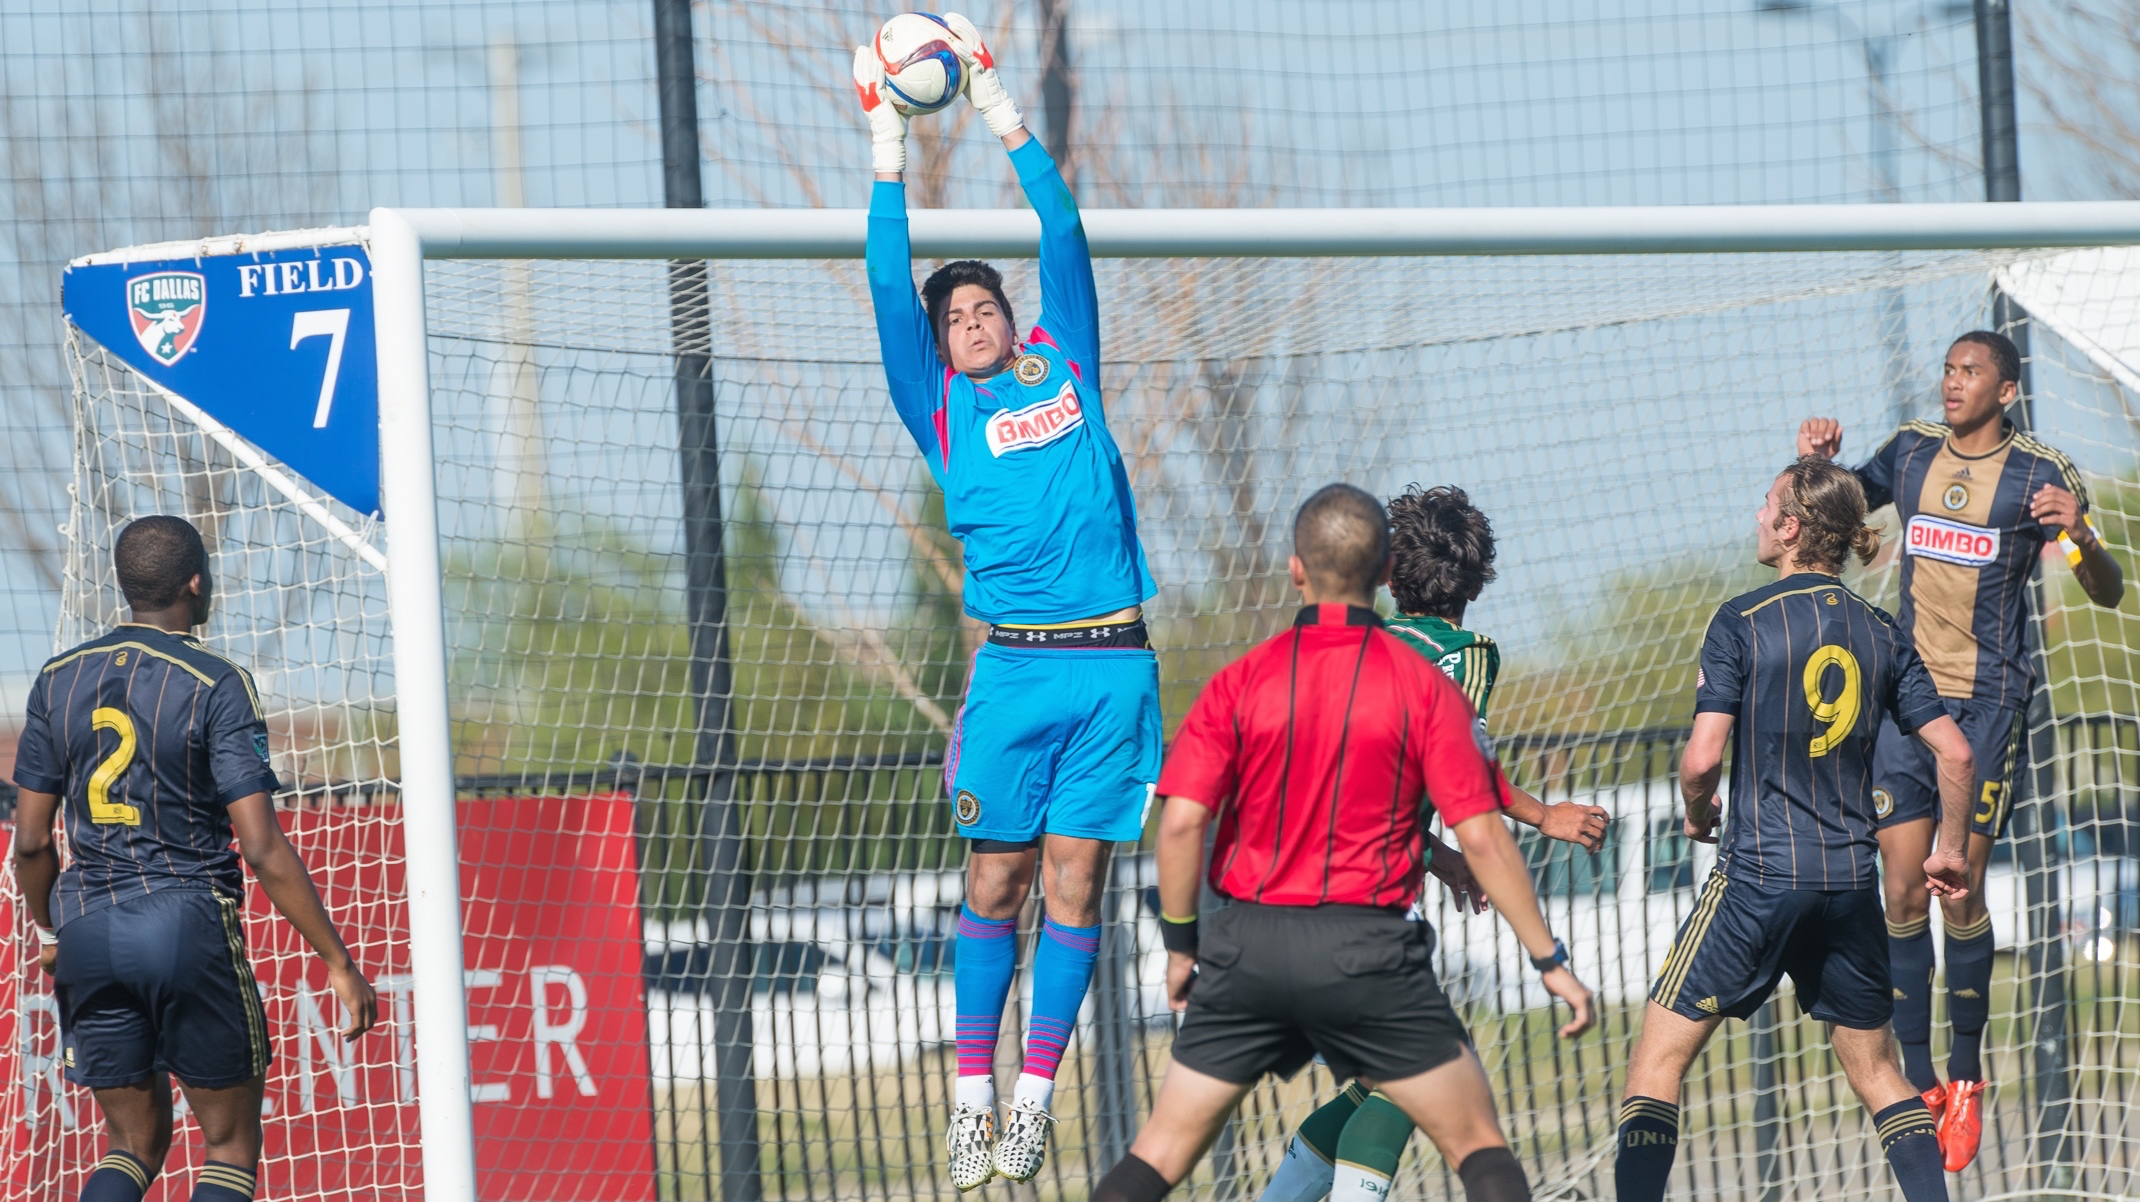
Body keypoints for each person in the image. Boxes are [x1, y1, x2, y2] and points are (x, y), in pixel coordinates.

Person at [1088, 484, 1596, 1202]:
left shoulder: (1241, 680)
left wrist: (1180, 945)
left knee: (1158, 1155)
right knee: (1476, 1144)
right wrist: (1551, 961)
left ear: (1297, 569)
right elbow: (1482, 830)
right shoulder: (1426, 684)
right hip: (1366, 946)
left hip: (1248, 944)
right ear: (1383, 567)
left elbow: (1178, 821)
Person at [854, 18, 1161, 1188]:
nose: (970, 319)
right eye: (953, 317)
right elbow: (890, 279)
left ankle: (1036, 1100)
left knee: (1079, 880)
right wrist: (887, 140)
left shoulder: (1065, 364)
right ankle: (969, 1092)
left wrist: (992, 106)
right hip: (1016, 671)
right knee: (997, 879)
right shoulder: (937, 411)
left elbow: (1064, 230)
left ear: (1010, 317)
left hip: (1114, 667)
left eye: (983, 307)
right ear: (935, 345)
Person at [1796, 330, 2124, 1168]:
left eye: (1969, 372)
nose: (1952, 383)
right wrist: (1815, 464)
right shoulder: (1908, 453)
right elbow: (1830, 516)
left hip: (1985, 709)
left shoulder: (2042, 474)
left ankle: (1970, 1073)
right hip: (1905, 701)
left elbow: (2107, 588)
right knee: (1900, 891)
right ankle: (1921, 1079)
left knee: (1956, 887)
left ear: (2005, 391)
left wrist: (2078, 532)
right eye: (1947, 369)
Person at [1613, 458, 1977, 1202]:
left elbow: (1701, 759)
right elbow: (1957, 751)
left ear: (1789, 529)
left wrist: (1696, 810)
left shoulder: (1741, 621)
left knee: (1656, 1064)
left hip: (1756, 879)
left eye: (1765, 506)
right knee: (1880, 1076)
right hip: (1848, 883)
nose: (1754, 517)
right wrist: (1949, 849)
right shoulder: (1881, 631)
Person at [1257, 484, 1609, 1202]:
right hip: (1352, 914)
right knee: (1428, 1076)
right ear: (1479, 580)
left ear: (1389, 572)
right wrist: (1542, 816)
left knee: (1383, 1082)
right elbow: (1457, 764)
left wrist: (1435, 856)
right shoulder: (1464, 653)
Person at [10, 515, 376, 1202]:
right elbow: (261, 845)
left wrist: (51, 933)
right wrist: (339, 962)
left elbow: (29, 842)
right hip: (183, 920)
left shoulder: (56, 680)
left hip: (87, 926)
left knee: (130, 1147)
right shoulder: (215, 682)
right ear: (196, 583)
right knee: (230, 1148)